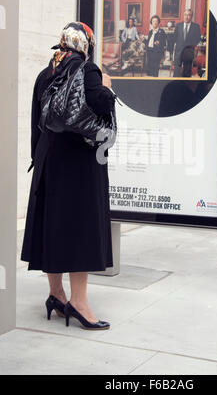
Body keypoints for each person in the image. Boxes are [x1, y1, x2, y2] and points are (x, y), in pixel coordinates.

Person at [21, 22, 116, 330]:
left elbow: (38, 122)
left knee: (54, 226)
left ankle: (56, 295)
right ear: (85, 44)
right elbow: (101, 103)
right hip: (80, 163)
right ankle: (79, 303)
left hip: (50, 159)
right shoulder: (88, 71)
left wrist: (38, 158)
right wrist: (108, 86)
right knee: (81, 230)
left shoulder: (44, 74)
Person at [173, 9, 201, 77]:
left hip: (189, 52)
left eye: (189, 15)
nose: (186, 17)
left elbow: (197, 39)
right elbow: (174, 37)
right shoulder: (178, 25)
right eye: (185, 15)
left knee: (187, 72)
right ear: (183, 15)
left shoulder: (196, 26)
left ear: (191, 17)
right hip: (178, 52)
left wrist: (191, 46)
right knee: (176, 72)